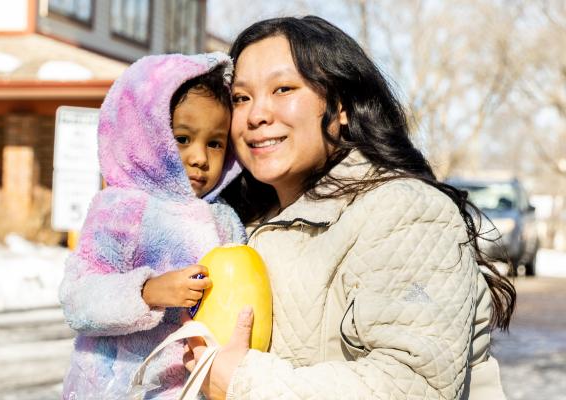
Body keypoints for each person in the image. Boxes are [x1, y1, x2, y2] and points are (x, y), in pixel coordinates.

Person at [181, 16, 516, 399]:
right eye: (242, 97)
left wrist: (242, 382)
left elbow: (416, 385)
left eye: (283, 89)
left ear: (340, 106)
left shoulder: (404, 212)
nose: (257, 114)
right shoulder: (241, 224)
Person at [59, 53, 246, 399]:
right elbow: (77, 298)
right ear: (145, 134)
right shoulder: (122, 209)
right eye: (183, 138)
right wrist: (147, 292)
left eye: (215, 143)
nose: (200, 158)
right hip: (113, 387)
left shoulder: (225, 222)